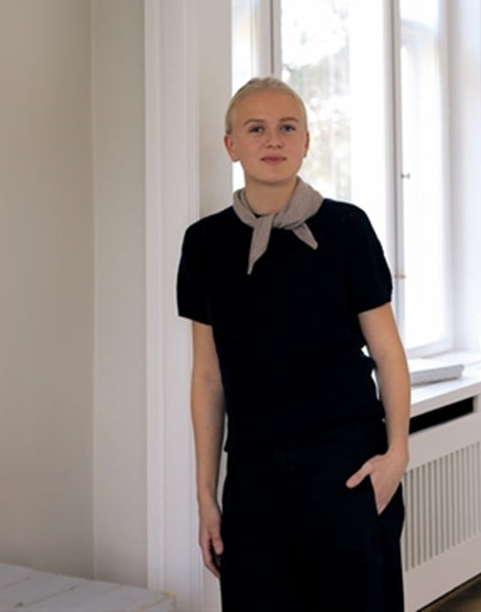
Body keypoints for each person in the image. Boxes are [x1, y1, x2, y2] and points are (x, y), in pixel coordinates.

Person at [176, 76, 410, 612]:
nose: (273, 141)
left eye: (287, 128)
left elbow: (387, 353)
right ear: (231, 145)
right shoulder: (204, 243)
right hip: (252, 471)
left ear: (306, 142)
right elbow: (207, 376)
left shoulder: (347, 228)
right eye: (256, 129)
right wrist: (206, 494)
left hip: (347, 463)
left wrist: (397, 454)